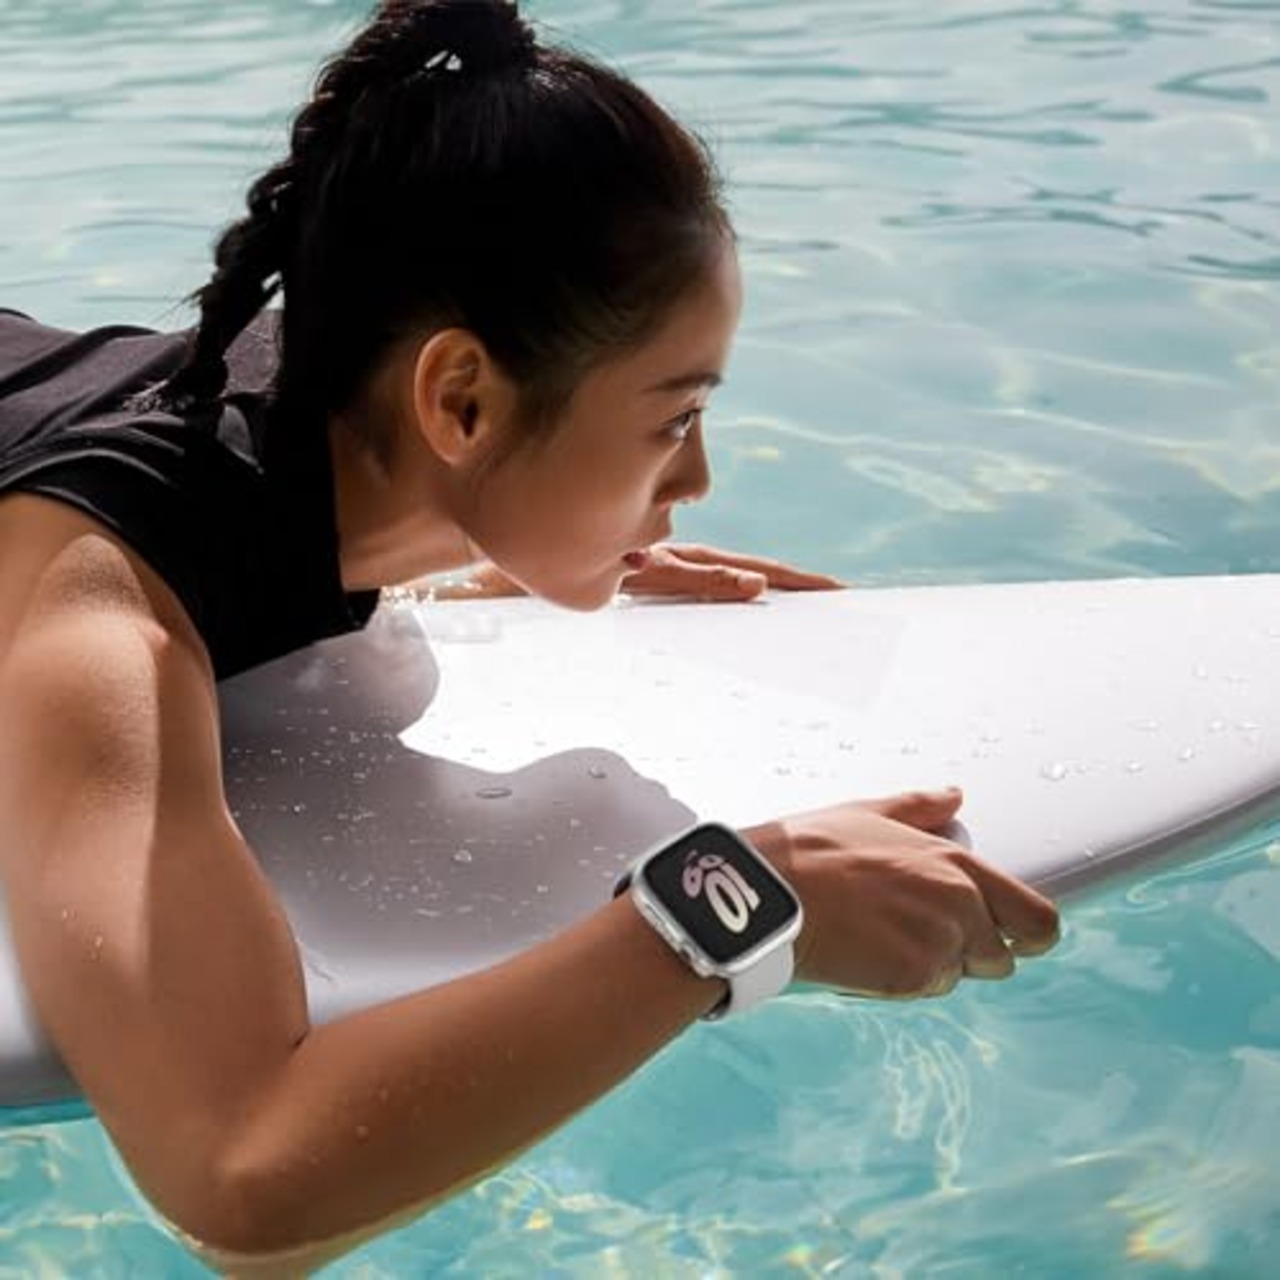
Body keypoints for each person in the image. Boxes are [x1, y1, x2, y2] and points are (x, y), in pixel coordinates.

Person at [0, 0, 1059, 1273]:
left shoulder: (325, 389)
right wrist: (723, 911)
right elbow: (236, 1177)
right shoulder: (98, 602)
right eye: (673, 421)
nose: (700, 480)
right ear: (459, 400)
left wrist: (512, 547)